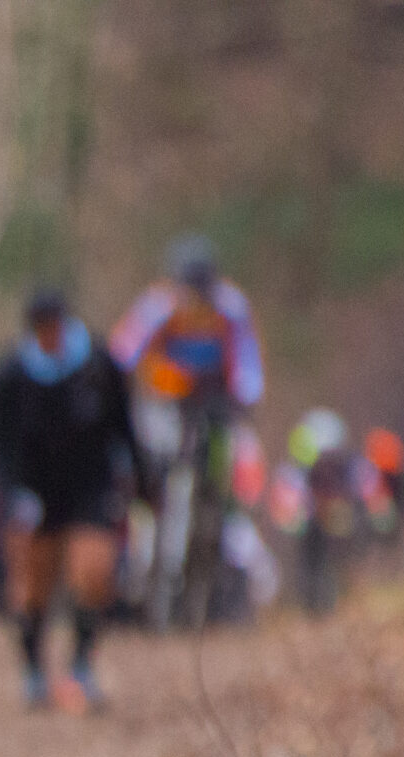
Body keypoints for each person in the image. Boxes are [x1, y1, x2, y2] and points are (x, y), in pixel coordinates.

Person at [0, 286, 145, 712]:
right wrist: (9, 495)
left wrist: (142, 481)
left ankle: (81, 665)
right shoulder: (11, 375)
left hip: (91, 485)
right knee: (31, 586)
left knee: (93, 572)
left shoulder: (99, 365)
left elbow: (124, 426)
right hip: (35, 489)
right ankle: (34, 669)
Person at [110, 235, 265, 622]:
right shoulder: (158, 305)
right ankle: (144, 534)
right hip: (164, 404)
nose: (194, 297)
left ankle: (215, 531)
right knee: (151, 463)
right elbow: (123, 352)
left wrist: (245, 396)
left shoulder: (230, 307)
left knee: (219, 476)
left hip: (213, 406)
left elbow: (247, 362)